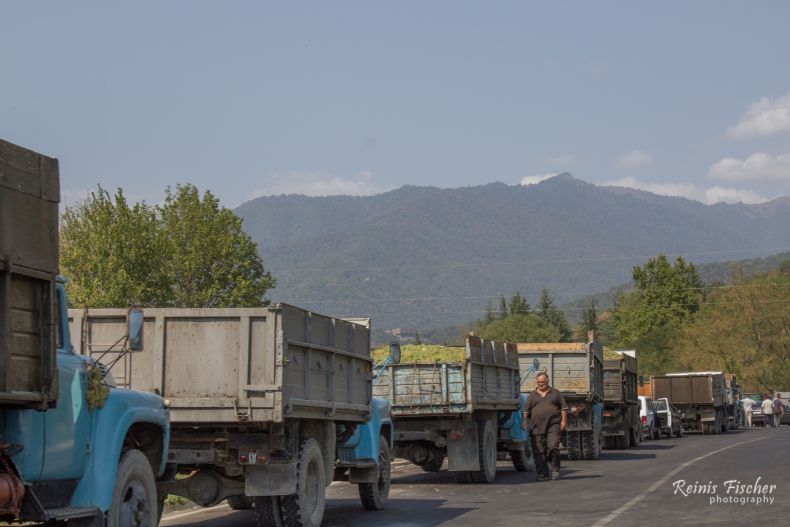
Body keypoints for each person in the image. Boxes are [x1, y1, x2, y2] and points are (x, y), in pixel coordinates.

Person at [521, 371, 567, 481]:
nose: (541, 384)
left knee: (553, 447)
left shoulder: (555, 393)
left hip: (553, 425)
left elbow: (563, 408)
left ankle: (555, 469)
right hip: (536, 427)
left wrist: (564, 421)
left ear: (547, 381)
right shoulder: (532, 395)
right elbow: (526, 410)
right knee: (539, 452)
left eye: (543, 382)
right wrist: (524, 421)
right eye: (539, 382)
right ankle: (542, 474)